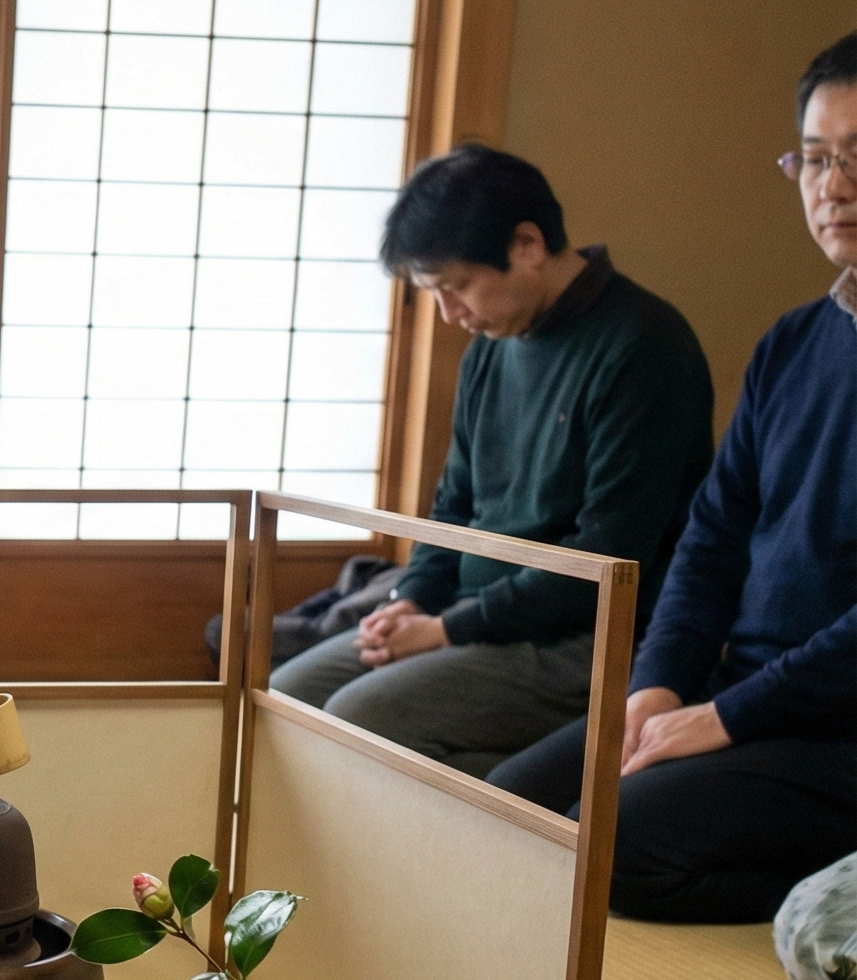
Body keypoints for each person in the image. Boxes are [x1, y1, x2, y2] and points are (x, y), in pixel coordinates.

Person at [491, 35, 857, 925]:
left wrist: (725, 717)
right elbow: (713, 538)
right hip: (744, 689)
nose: (832, 185)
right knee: (514, 804)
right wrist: (654, 687)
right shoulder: (795, 339)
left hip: (836, 724)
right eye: (814, 157)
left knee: (613, 850)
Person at [270, 146, 713, 777]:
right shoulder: (493, 346)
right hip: (474, 620)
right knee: (289, 696)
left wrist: (447, 630)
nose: (452, 315)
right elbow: (454, 504)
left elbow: (604, 560)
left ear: (528, 244)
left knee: (360, 716)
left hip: (584, 638)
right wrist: (414, 599)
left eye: (457, 287)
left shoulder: (643, 348)